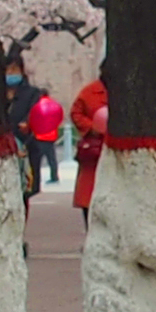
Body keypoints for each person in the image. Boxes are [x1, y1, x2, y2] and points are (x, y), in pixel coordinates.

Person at [69, 74, 109, 214]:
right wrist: (92, 127)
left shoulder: (128, 90)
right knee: (88, 192)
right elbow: (76, 113)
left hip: (119, 148)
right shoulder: (90, 91)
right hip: (94, 150)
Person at [22, 79, 67, 193]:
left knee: (37, 162)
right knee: (52, 159)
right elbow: (59, 118)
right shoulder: (53, 104)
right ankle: (54, 176)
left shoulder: (37, 105)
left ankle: (37, 182)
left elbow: (32, 120)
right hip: (51, 136)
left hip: (39, 137)